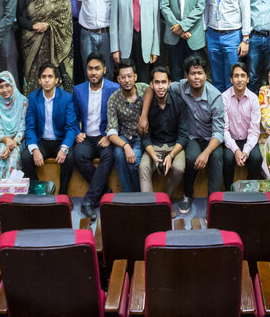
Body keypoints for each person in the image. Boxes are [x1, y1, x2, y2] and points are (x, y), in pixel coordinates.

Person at [174, 55, 224, 214]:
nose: (196, 77)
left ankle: (213, 201)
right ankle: (187, 195)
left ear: (206, 75)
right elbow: (155, 87)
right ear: (187, 76)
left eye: (200, 73)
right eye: (193, 73)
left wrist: (206, 153)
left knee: (217, 157)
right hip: (193, 137)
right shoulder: (181, 86)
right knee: (191, 158)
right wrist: (143, 115)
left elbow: (219, 132)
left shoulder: (215, 96)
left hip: (211, 138)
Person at [72, 53, 119, 219]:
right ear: (86, 70)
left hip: (105, 136)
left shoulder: (114, 88)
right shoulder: (78, 90)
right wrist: (77, 133)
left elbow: (119, 117)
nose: (93, 72)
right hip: (86, 138)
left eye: (97, 69)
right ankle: (105, 192)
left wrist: (110, 134)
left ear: (104, 70)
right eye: (90, 69)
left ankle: (89, 200)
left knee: (109, 156)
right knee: (78, 155)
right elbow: (73, 116)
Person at [19, 0, 75, 94]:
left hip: (56, 43)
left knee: (55, 78)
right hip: (32, 42)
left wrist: (48, 25)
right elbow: (19, 16)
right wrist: (33, 26)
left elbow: (66, 18)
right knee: (33, 79)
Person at [22, 63, 78, 194]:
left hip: (60, 141)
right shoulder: (33, 98)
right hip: (42, 142)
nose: (47, 80)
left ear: (56, 80)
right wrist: (35, 149)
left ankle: (63, 193)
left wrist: (64, 148)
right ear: (39, 80)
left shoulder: (66, 98)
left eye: (50, 77)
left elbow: (71, 127)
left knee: (69, 157)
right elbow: (30, 127)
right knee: (26, 157)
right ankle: (38, 191)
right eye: (44, 77)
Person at [204, 0, 251, 93]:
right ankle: (219, 107)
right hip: (212, 34)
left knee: (232, 78)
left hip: (233, 36)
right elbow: (205, 8)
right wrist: (205, 32)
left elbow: (246, 9)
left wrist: (245, 38)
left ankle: (232, 108)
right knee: (216, 79)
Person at [109, 0, 160, 83]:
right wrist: (115, 48)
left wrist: (155, 49)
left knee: (143, 81)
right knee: (126, 81)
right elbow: (114, 21)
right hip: (125, 43)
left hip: (145, 42)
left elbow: (156, 22)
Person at [138, 66, 187, 200]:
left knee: (179, 169)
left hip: (175, 145)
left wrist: (171, 155)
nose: (160, 87)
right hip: (154, 145)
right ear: (151, 84)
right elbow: (145, 137)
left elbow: (183, 135)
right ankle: (149, 203)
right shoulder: (147, 104)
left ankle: (165, 199)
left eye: (164, 82)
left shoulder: (179, 102)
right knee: (143, 167)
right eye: (157, 82)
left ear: (169, 83)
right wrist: (154, 156)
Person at [106, 59, 148, 193]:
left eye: (129, 76)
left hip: (141, 137)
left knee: (133, 163)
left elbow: (155, 91)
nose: (127, 80)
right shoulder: (114, 98)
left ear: (135, 76)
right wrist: (125, 146)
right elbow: (111, 131)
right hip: (124, 137)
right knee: (118, 154)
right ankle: (126, 194)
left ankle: (138, 195)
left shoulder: (145, 89)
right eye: (123, 77)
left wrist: (144, 116)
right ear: (118, 79)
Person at [221, 62, 261, 189]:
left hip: (248, 139)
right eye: (236, 76)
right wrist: (236, 150)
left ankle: (249, 192)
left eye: (243, 76)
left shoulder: (254, 99)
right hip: (230, 139)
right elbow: (224, 130)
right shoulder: (224, 98)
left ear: (248, 79)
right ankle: (228, 191)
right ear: (231, 79)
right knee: (227, 158)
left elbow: (254, 131)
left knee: (256, 158)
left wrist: (246, 151)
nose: (239, 79)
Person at [0, 70, 28, 180]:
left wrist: (13, 143)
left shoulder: (23, 102)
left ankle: (12, 188)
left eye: (7, 85)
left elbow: (23, 128)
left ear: (13, 85)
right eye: (1, 87)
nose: (5, 90)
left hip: (19, 141)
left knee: (14, 156)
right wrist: (7, 142)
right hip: (4, 141)